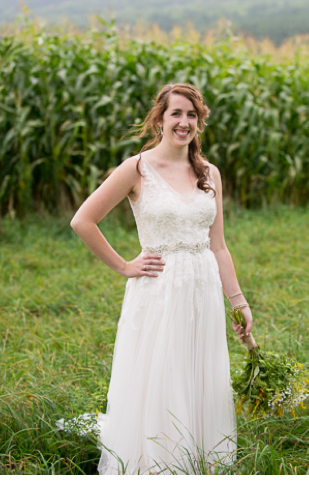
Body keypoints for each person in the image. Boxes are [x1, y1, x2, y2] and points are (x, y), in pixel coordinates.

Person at [71, 83, 253, 474]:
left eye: (192, 115)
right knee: (162, 373)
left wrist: (238, 303)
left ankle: (199, 457)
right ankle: (156, 464)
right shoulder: (137, 168)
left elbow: (218, 246)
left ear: (199, 122)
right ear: (160, 119)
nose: (184, 122)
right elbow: (82, 220)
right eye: (176, 114)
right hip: (159, 288)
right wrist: (124, 265)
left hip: (201, 287)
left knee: (197, 370)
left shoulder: (210, 173)